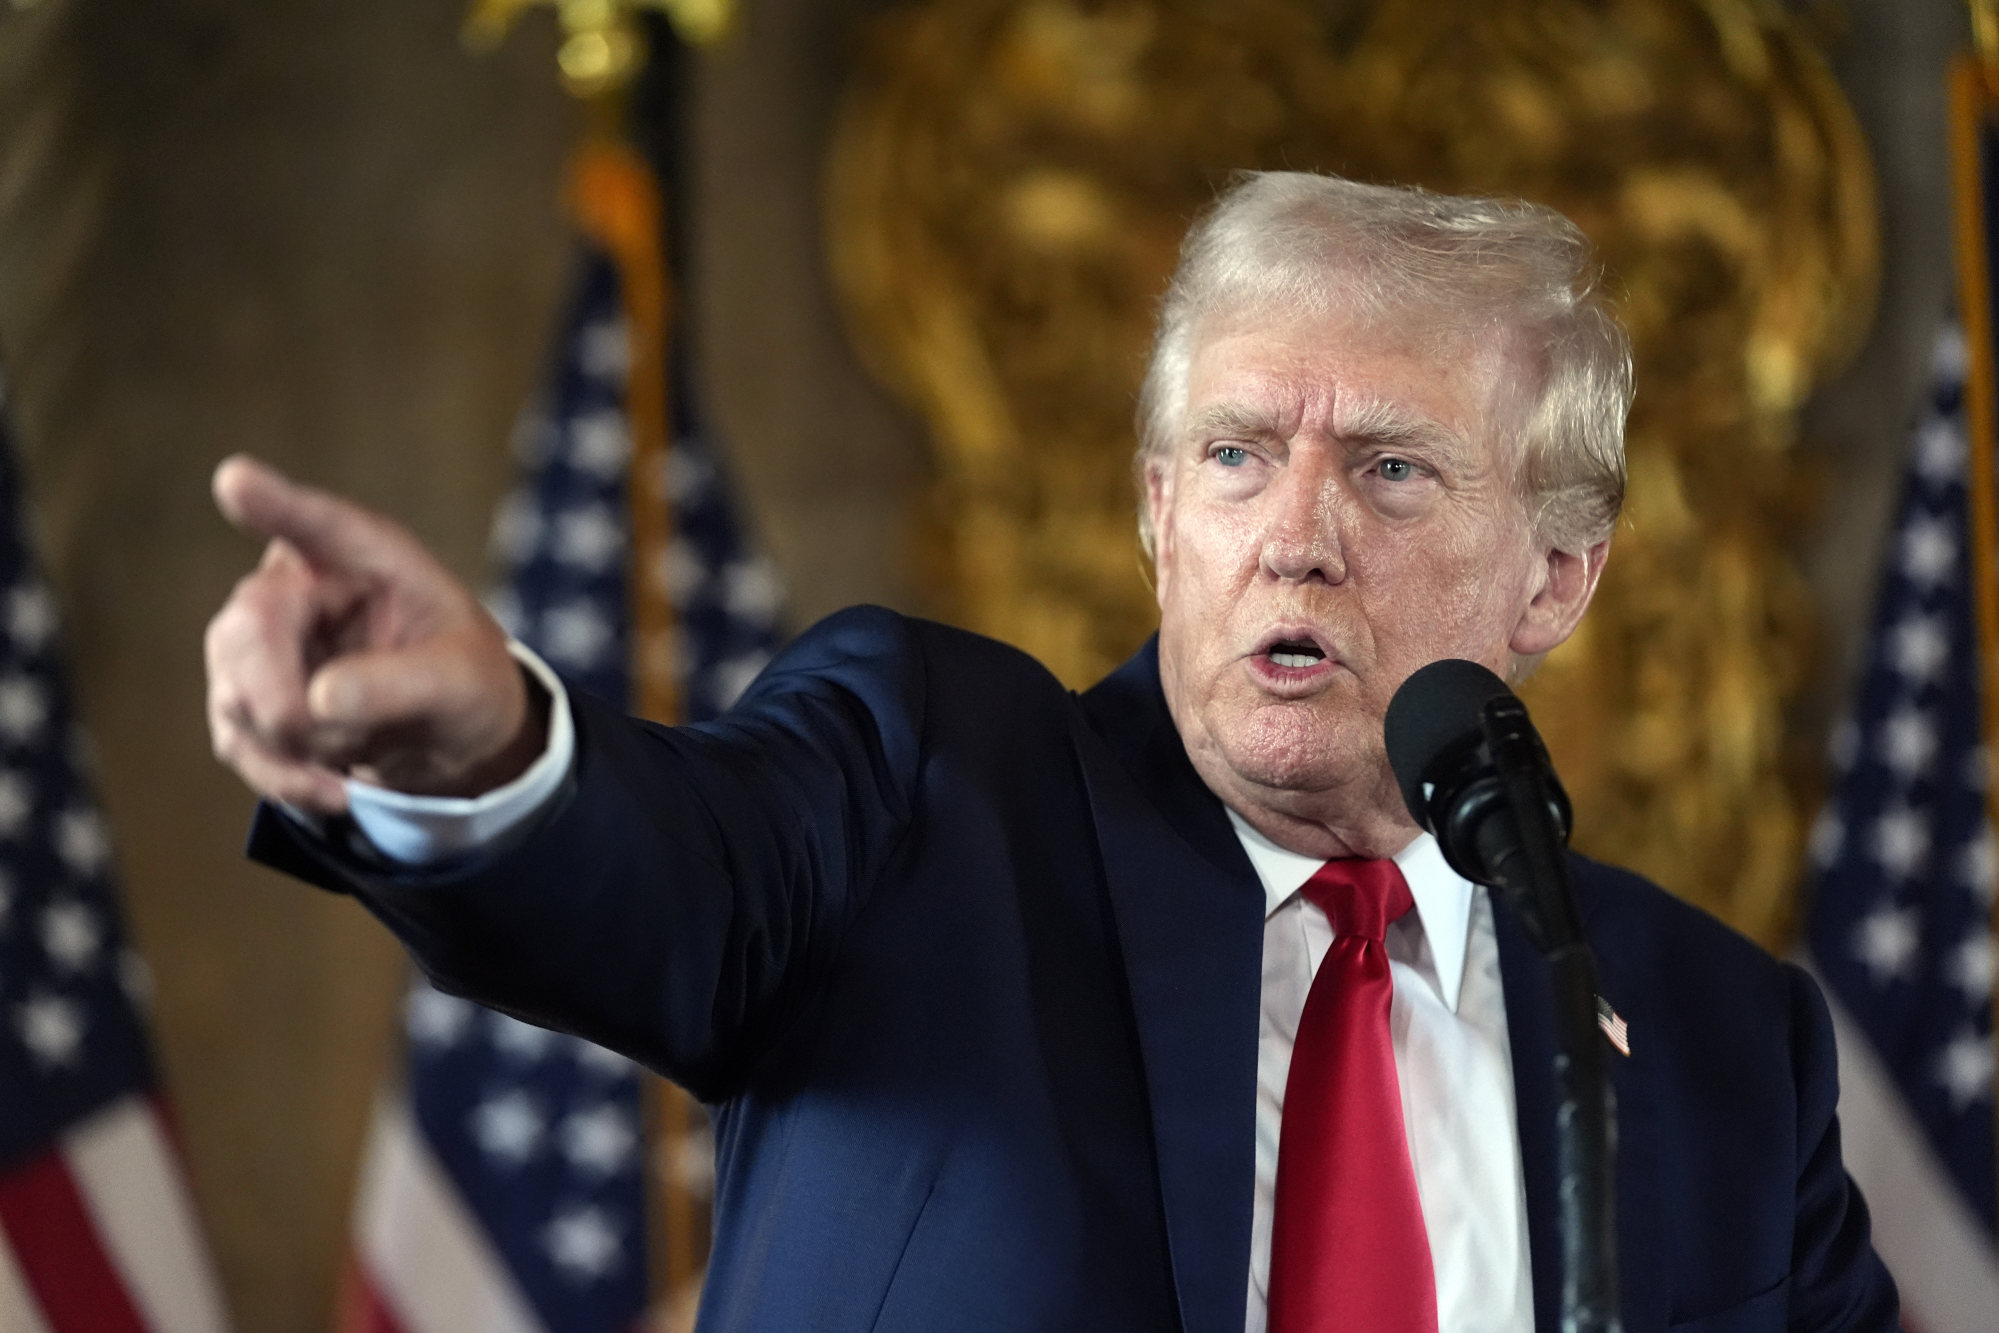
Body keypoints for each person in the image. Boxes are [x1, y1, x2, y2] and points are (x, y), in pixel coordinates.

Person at [205, 172, 1899, 1332]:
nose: (1291, 538)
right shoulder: (928, 792)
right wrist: (482, 744)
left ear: (1558, 573)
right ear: (1159, 513)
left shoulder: (1724, 1044)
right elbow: (662, 873)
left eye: (1390, 470)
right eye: (1236, 456)